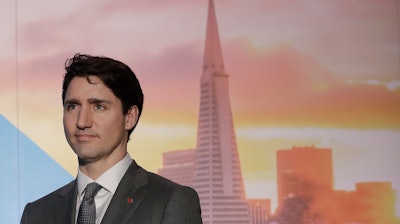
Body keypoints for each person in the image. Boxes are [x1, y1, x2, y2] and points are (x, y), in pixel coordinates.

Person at [20, 53, 203, 224]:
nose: (82, 121)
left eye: (99, 107)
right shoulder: (36, 214)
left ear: (129, 117)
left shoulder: (169, 201)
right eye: (73, 106)